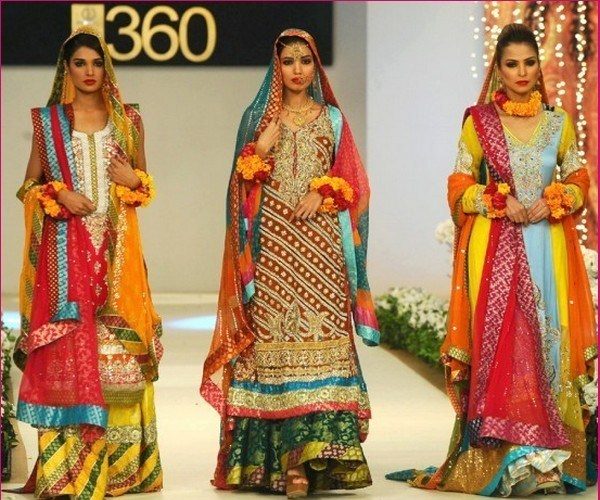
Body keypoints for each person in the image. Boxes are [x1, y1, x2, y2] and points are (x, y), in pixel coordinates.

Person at [387, 23, 597, 496]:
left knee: (549, 343)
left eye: (529, 63)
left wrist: (558, 197)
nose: (522, 72)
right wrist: (496, 201)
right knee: (505, 344)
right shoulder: (479, 122)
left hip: (548, 246)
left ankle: (549, 464)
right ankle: (511, 458)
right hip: (495, 248)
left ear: (538, 67)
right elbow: (459, 183)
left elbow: (579, 178)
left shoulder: (559, 123)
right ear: (498, 70)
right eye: (512, 64)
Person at [201, 28, 380, 498]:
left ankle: (313, 460)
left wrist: (324, 190)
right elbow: (236, 191)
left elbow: (355, 184)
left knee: (322, 345)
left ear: (315, 65)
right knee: (272, 351)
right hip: (273, 253)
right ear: (276, 67)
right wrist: (258, 151)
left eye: (305, 60)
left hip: (322, 252)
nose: (297, 69)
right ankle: (284, 464)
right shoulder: (257, 119)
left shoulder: (333, 119)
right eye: (288, 61)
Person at [13, 26, 163, 499]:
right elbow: (28, 187)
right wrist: (59, 194)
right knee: (69, 359)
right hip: (65, 258)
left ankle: (120, 473)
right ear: (67, 70)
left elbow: (143, 184)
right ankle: (66, 474)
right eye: (80, 63)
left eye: (97, 63)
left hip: (117, 255)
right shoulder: (49, 123)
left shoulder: (128, 120)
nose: (90, 71)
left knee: (116, 363)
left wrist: (131, 179)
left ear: (107, 67)